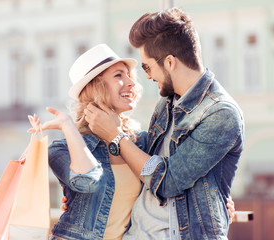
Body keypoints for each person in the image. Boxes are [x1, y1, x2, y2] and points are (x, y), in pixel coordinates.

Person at [82, 7, 244, 240]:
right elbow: (142, 163)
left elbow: (166, 182)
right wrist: (79, 195)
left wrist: (116, 136)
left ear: (169, 62)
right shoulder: (166, 103)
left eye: (147, 66)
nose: (146, 76)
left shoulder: (221, 113)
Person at [28, 43, 148, 240]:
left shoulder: (142, 142)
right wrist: (67, 125)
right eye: (119, 75)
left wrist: (115, 132)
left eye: (129, 75)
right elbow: (87, 182)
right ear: (95, 87)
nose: (131, 82)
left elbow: (164, 184)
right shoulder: (62, 148)